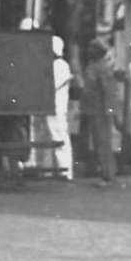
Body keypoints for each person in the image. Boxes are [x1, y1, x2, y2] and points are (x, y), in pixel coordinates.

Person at [82, 38, 122, 187]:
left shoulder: (102, 69)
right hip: (94, 110)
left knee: (103, 143)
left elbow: (109, 92)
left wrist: (110, 112)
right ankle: (106, 173)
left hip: (101, 112)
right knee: (99, 143)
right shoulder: (93, 67)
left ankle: (108, 176)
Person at [48, 36, 74, 180]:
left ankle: (66, 170)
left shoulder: (61, 65)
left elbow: (52, 86)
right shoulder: (53, 64)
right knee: (54, 137)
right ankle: (58, 169)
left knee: (60, 137)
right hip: (51, 107)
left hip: (58, 107)